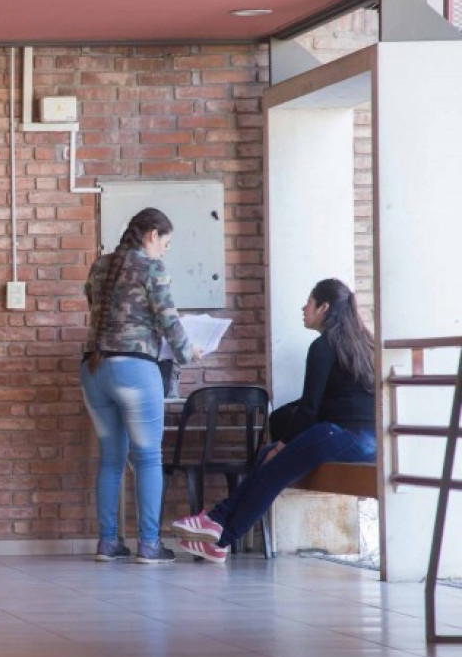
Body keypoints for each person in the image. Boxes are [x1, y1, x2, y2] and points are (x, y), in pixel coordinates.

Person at [172, 278, 376, 562]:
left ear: (324, 307)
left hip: (344, 437)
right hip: (368, 442)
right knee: (270, 455)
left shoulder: (324, 346)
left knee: (274, 462)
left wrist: (282, 445)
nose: (303, 308)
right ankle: (218, 536)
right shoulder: (364, 344)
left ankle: (219, 527)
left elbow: (308, 409)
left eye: (309, 301)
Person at [81, 207, 197, 564]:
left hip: (94, 369)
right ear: (152, 236)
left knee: (111, 460)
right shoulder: (151, 267)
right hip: (135, 370)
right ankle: (149, 544)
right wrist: (190, 352)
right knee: (147, 458)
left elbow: (95, 305)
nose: (165, 250)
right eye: (166, 242)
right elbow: (168, 320)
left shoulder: (101, 266)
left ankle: (108, 543)